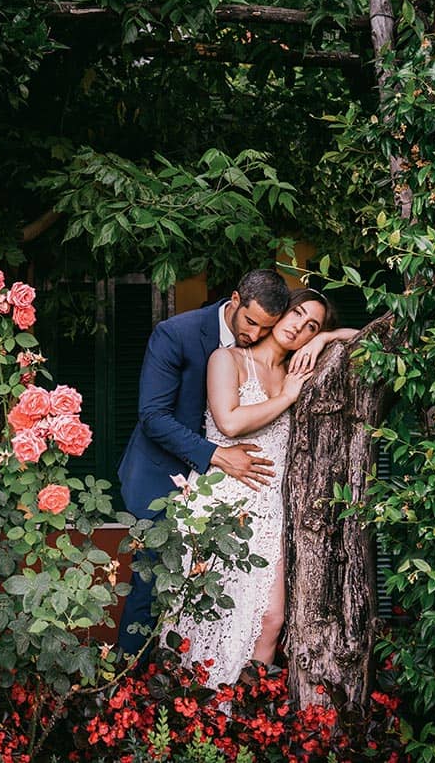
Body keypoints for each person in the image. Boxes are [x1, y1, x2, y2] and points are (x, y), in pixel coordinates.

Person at [171, 288, 357, 687]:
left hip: (271, 506)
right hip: (223, 502)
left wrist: (327, 338)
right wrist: (289, 395)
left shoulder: (302, 367)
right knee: (212, 612)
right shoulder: (228, 359)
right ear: (280, 313)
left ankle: (244, 718)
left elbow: (368, 339)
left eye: (311, 326)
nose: (299, 328)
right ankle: (201, 711)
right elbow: (230, 423)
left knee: (271, 617)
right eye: (297, 314)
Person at [116, 269, 291, 657]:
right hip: (160, 473)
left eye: (267, 328)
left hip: (223, 487)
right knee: (156, 582)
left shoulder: (267, 343)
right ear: (234, 300)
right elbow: (154, 416)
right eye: (250, 322)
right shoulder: (175, 333)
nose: (255, 335)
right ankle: (123, 688)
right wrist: (216, 455)